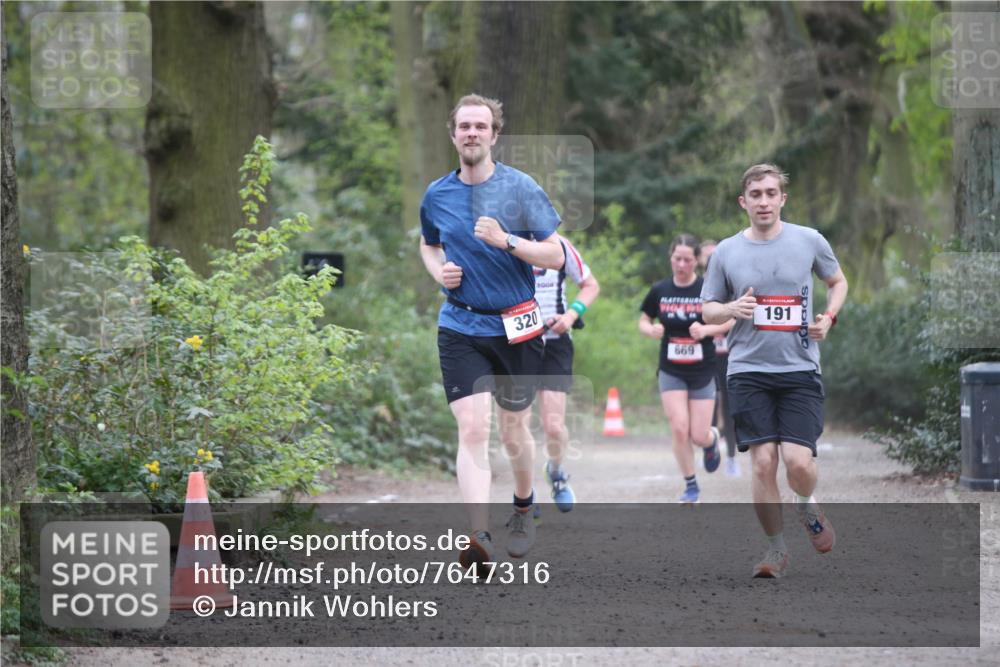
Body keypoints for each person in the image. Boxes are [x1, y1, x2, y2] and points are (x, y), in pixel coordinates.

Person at [419, 94, 564, 569]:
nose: (472, 133)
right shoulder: (437, 194)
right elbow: (428, 244)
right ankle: (478, 533)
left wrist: (507, 240)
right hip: (460, 324)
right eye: (465, 126)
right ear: (453, 133)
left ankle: (523, 506)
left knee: (514, 429)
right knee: (474, 428)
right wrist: (439, 271)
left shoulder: (520, 189)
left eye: (481, 126)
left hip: (518, 326)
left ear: (495, 135)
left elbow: (556, 256)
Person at [702, 163, 848, 578]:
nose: (763, 201)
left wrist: (829, 317)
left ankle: (806, 503)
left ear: (782, 198)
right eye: (755, 194)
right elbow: (708, 308)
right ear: (743, 201)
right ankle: (776, 550)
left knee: (799, 464)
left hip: (800, 369)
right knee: (763, 464)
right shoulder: (727, 252)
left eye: (770, 193)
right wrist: (731, 308)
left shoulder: (809, 241)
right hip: (747, 370)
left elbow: (838, 282)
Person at [639, 235, 734, 504]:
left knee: (698, 435)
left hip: (703, 369)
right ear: (671, 258)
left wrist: (706, 329)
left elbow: (729, 322)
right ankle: (691, 486)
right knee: (679, 429)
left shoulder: (708, 290)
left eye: (687, 260)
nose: (681, 264)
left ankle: (712, 438)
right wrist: (651, 329)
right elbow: (644, 320)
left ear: (697, 261)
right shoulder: (660, 289)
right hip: (671, 370)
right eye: (677, 259)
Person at [533, 235, 600, 513]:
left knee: (553, 426)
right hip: (516, 343)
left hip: (555, 344)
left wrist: (571, 316)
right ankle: (524, 495)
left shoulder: (560, 246)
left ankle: (557, 472)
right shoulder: (505, 243)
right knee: (515, 427)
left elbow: (590, 285)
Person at [697, 240, 740, 477]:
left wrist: (711, 329)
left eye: (715, 255)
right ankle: (710, 449)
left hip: (728, 354)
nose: (711, 259)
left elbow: (734, 317)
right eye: (707, 255)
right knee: (708, 406)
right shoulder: (697, 286)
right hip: (704, 355)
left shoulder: (729, 283)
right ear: (701, 259)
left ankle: (733, 458)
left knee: (730, 406)